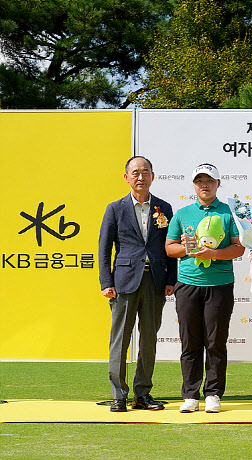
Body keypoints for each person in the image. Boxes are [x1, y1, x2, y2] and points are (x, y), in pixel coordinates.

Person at [99, 156, 177, 412]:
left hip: (155, 281)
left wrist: (170, 280)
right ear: (126, 178)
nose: (140, 177)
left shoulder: (164, 208)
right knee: (119, 339)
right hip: (123, 282)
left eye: (145, 172)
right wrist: (106, 281)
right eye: (135, 173)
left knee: (149, 340)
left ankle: (142, 393)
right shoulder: (115, 208)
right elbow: (104, 248)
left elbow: (170, 246)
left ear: (153, 176)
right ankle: (119, 394)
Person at [165, 163, 244, 413]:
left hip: (219, 285)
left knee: (216, 342)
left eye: (209, 181)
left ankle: (213, 393)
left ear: (218, 184)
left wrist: (214, 253)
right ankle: (190, 394)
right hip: (187, 285)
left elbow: (238, 248)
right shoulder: (182, 213)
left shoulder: (229, 213)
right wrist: (190, 248)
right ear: (194, 185)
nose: (204, 185)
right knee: (190, 342)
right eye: (200, 181)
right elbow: (169, 248)